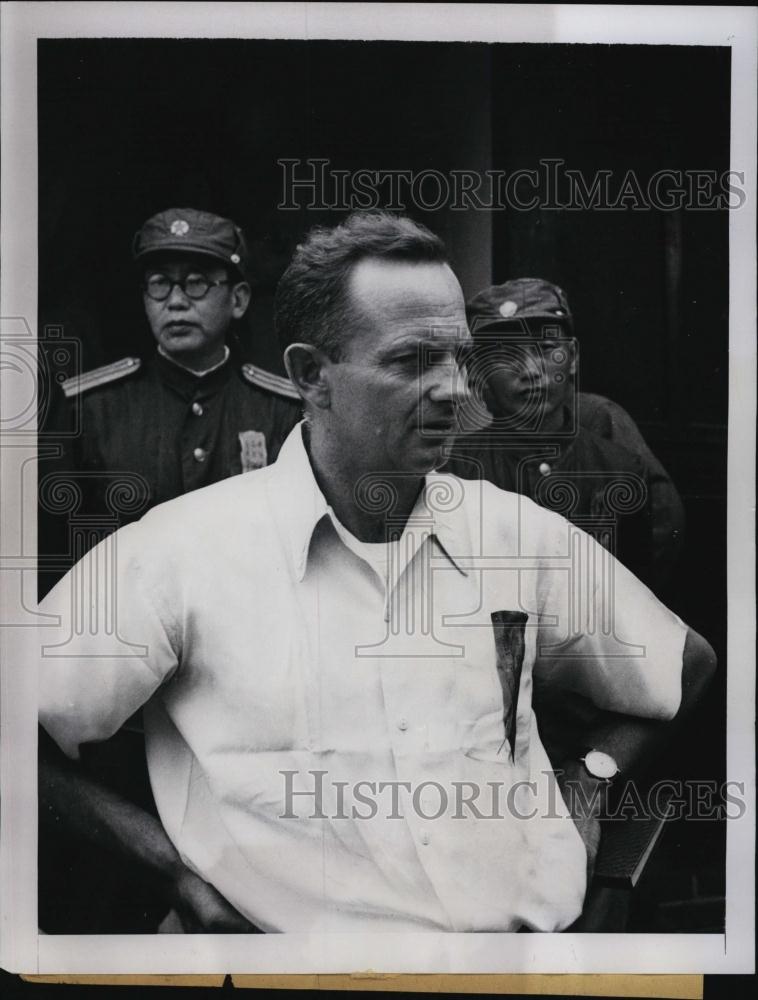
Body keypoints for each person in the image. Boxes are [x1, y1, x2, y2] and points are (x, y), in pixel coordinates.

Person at [38, 213, 715, 934]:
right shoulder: (180, 553)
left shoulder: (513, 534)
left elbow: (686, 664)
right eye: (412, 359)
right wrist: (169, 866)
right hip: (300, 972)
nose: (457, 389)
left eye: (458, 356)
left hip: (521, 964)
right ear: (310, 375)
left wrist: (590, 781)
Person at [38, 207, 302, 594]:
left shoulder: (283, 409)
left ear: (239, 300)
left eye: (196, 283)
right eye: (159, 284)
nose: (175, 302)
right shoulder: (90, 408)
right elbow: (51, 546)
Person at [445, 278, 685, 593]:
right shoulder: (454, 471)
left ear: (573, 359)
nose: (530, 370)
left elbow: (637, 598)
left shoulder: (621, 470)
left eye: (546, 349)